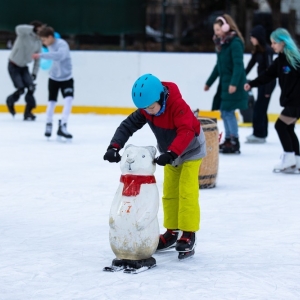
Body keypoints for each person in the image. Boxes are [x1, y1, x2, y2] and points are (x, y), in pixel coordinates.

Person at [103, 74, 206, 260]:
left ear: (161, 97)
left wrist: (172, 153)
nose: (148, 112)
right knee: (169, 192)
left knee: (186, 191)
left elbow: (186, 131)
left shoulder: (177, 105)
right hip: (170, 152)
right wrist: (114, 146)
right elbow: (127, 126)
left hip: (191, 150)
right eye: (145, 109)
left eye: (151, 107)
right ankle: (172, 232)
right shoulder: (146, 109)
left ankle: (189, 233)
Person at [245, 28, 300, 173]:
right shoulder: (279, 61)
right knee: (288, 128)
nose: (273, 46)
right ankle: (297, 161)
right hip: (290, 102)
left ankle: (289, 159)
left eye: (275, 43)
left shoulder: (295, 60)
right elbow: (267, 75)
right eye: (272, 43)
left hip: (296, 102)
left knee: (280, 126)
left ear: (283, 43)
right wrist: (251, 84)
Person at [204, 14, 248, 154]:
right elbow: (219, 66)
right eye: (215, 30)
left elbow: (238, 66)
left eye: (217, 29)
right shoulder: (222, 44)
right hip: (225, 84)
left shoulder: (235, 43)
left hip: (234, 84)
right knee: (224, 111)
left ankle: (234, 140)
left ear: (225, 27)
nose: (215, 32)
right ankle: (229, 139)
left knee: (228, 112)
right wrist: (209, 83)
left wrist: (234, 83)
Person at [32, 26, 74, 140]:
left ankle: (63, 125)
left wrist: (41, 55)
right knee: (51, 102)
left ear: (50, 37)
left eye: (44, 40)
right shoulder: (49, 45)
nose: (43, 43)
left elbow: (59, 56)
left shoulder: (62, 44)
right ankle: (49, 123)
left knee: (69, 100)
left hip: (66, 78)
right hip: (54, 78)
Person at [6, 21, 44, 121]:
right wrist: (31, 29)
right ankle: (10, 101)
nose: (41, 30)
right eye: (39, 28)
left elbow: (38, 58)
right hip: (13, 65)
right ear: (35, 28)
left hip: (23, 67)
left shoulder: (38, 41)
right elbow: (18, 27)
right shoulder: (24, 33)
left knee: (31, 88)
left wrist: (34, 73)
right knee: (21, 89)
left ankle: (28, 112)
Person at [245, 25, 276, 143]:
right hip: (262, 82)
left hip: (268, 83)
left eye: (252, 37)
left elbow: (270, 69)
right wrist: (240, 77)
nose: (251, 40)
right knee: (261, 108)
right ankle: (262, 133)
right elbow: (250, 65)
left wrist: (267, 90)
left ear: (258, 37)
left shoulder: (268, 51)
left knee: (259, 108)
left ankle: (259, 134)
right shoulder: (257, 50)